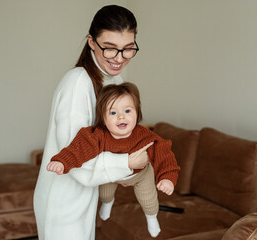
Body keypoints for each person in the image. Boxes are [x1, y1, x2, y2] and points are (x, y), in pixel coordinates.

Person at [33, 5, 152, 240]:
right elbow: (75, 156)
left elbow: (104, 142)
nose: (119, 58)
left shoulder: (112, 79)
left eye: (128, 49)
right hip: (63, 201)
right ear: (91, 42)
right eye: (110, 49)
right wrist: (126, 163)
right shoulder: (78, 83)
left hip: (84, 196)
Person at [47, 82, 180, 238]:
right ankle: (107, 204)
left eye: (127, 111)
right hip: (111, 174)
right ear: (103, 118)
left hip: (140, 174)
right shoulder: (98, 135)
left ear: (137, 113)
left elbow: (164, 154)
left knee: (148, 198)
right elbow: (78, 149)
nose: (121, 116)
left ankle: (152, 218)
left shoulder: (146, 136)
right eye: (113, 113)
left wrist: (167, 178)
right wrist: (62, 161)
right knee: (104, 193)